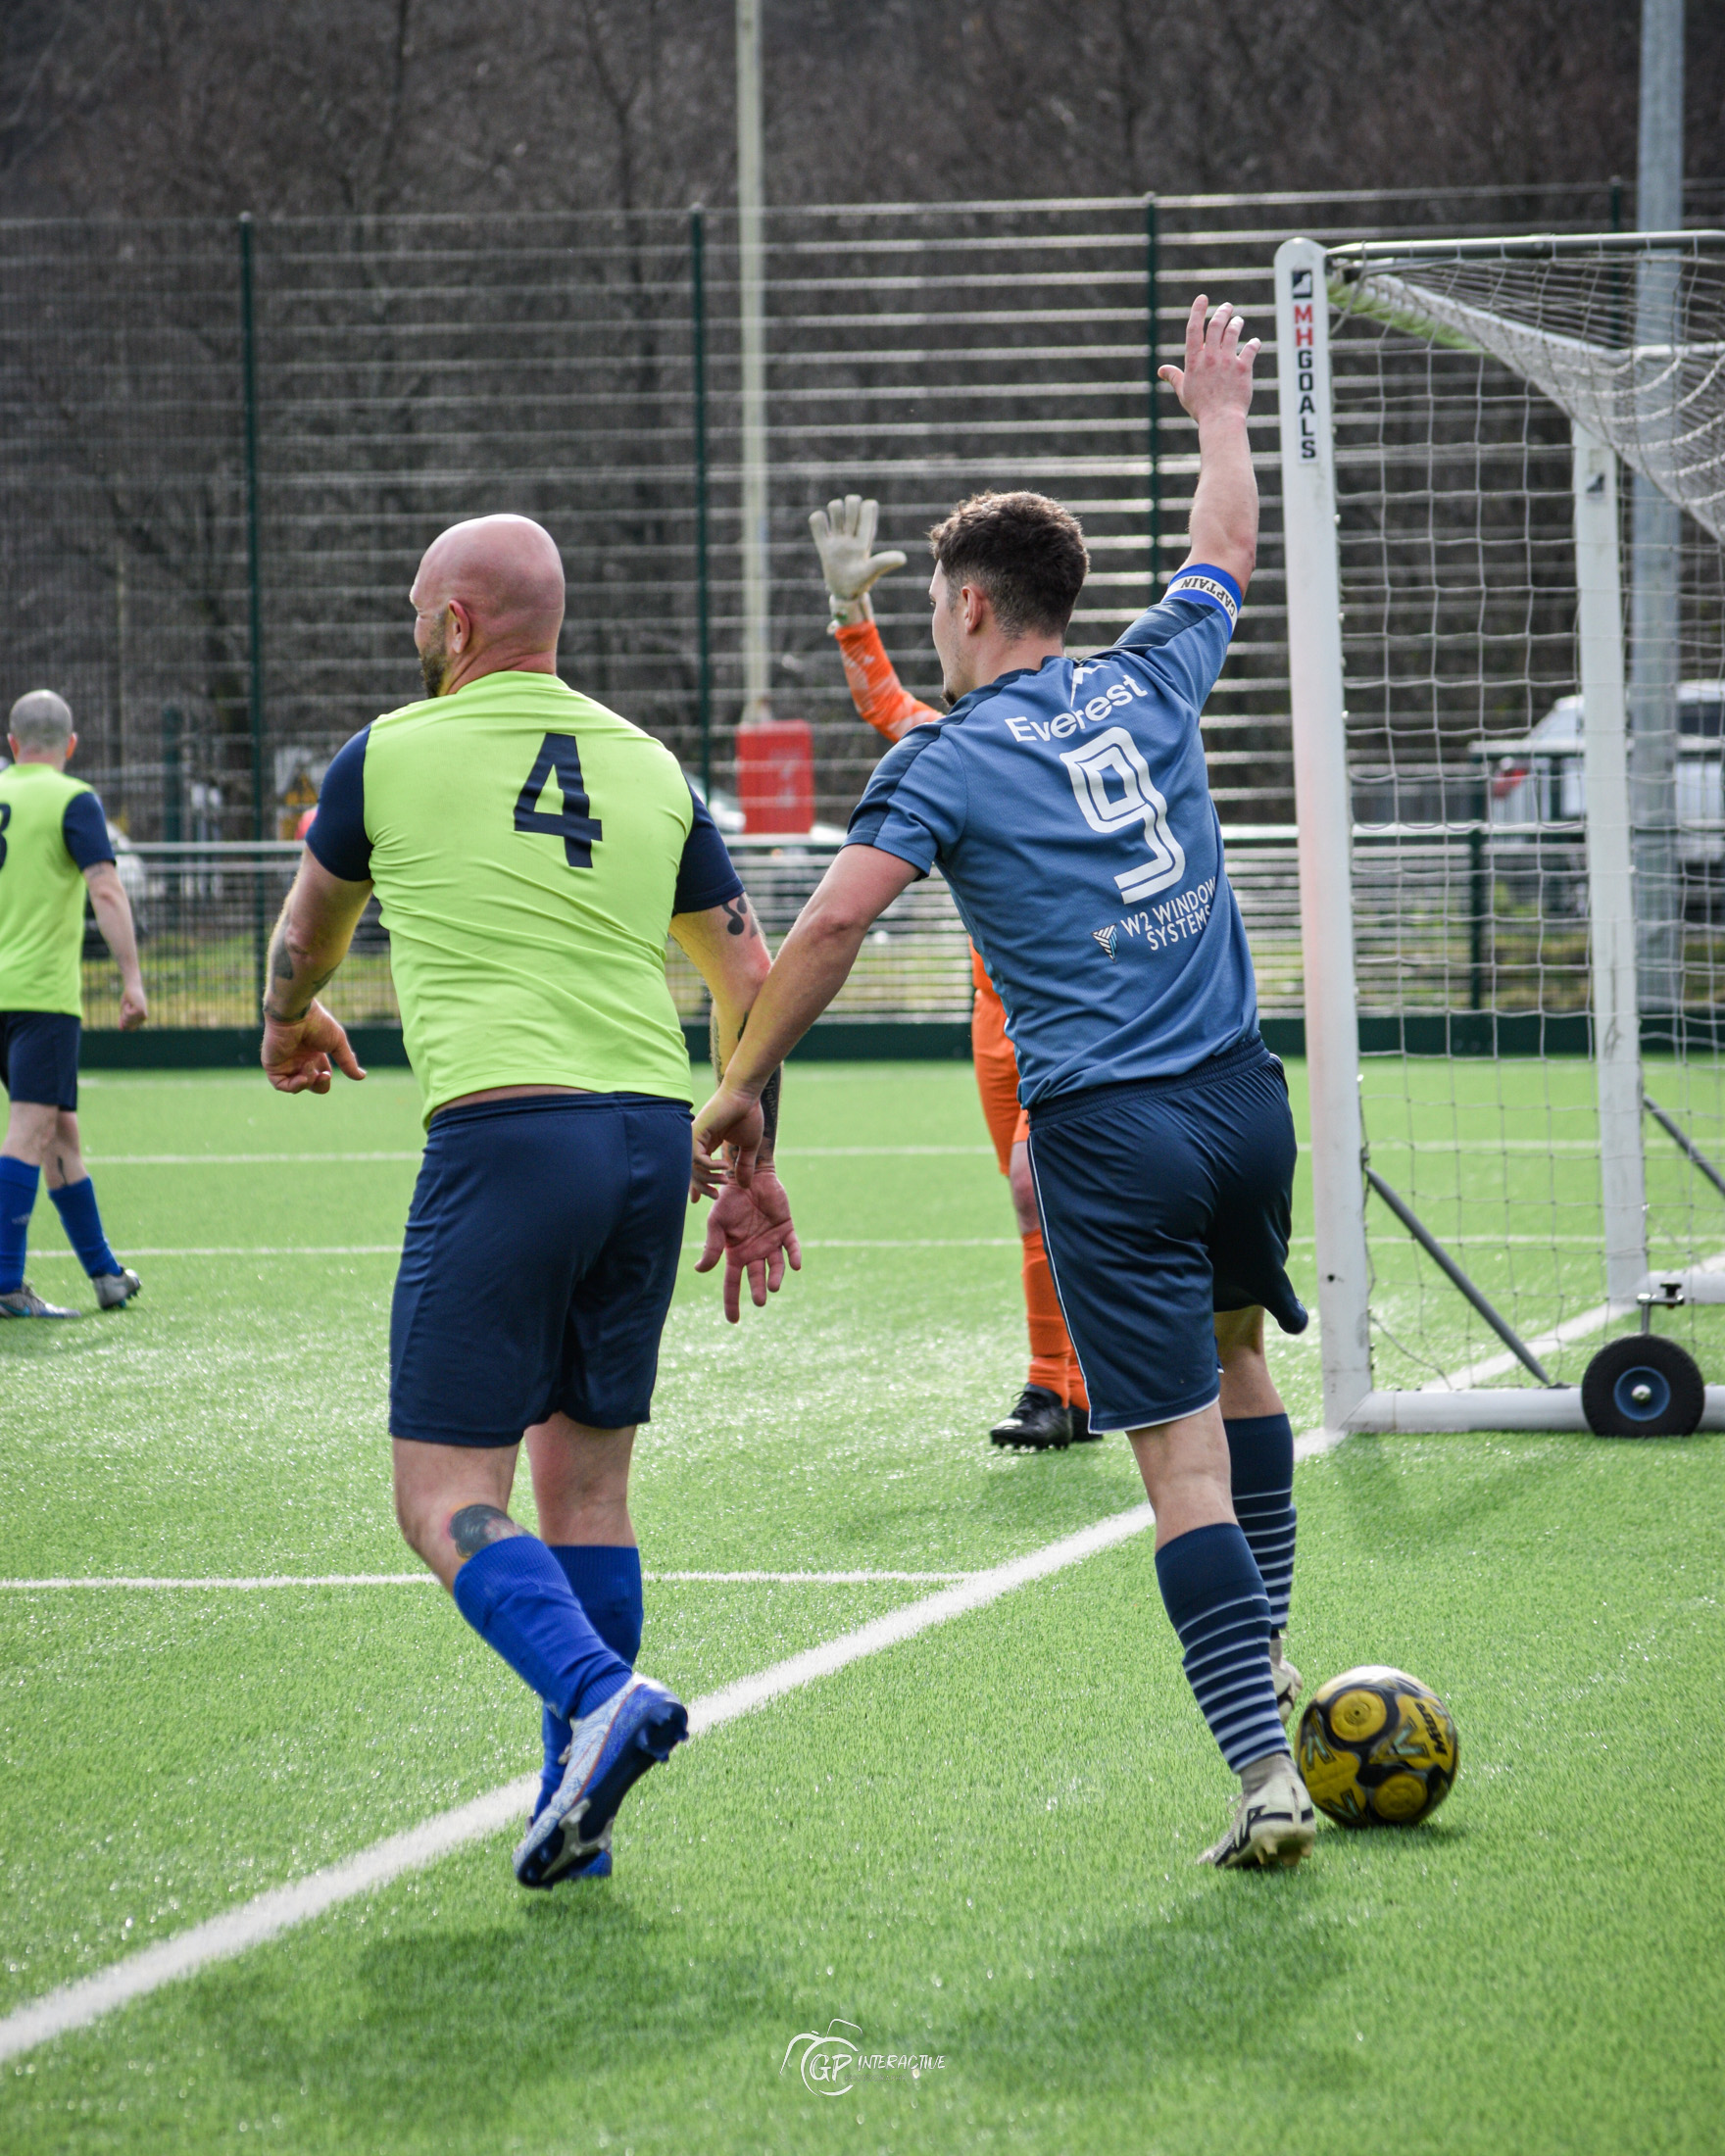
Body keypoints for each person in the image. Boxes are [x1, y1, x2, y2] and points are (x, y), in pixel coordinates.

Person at [697, 298, 1313, 1870]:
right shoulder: (1157, 670)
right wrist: (1223, 417)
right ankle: (1280, 1655)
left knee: (1174, 1462)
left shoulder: (947, 758)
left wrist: (745, 1081)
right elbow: (1227, 543)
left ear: (968, 608)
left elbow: (834, 922)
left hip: (1111, 1132)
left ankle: (1263, 1775)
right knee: (1244, 1372)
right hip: (1246, 1099)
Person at [261, 513, 800, 1890]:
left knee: (442, 1494)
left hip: (507, 1134)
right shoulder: (652, 766)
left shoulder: (388, 751)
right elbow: (756, 990)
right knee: (590, 1487)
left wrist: (291, 1023)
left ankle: (600, 1703)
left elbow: (302, 939)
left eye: (414, 611)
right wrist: (755, 1158)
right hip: (646, 1141)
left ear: (454, 624)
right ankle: (577, 1808)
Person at [809, 497, 1091, 1451]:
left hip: (1065, 1014)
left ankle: (1073, 1383)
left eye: (939, 597)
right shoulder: (956, 745)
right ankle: (1064, 1387)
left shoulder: (1070, 739)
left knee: (1036, 1189)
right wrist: (848, 612)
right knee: (1031, 1208)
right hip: (991, 1015)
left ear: (972, 606)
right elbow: (886, 706)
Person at [0, 690, 146, 1320]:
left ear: (12, 745)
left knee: (61, 1132)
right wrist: (133, 978)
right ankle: (6, 1286)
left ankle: (105, 1274)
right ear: (70, 746)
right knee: (31, 1133)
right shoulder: (72, 799)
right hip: (38, 997)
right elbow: (106, 891)